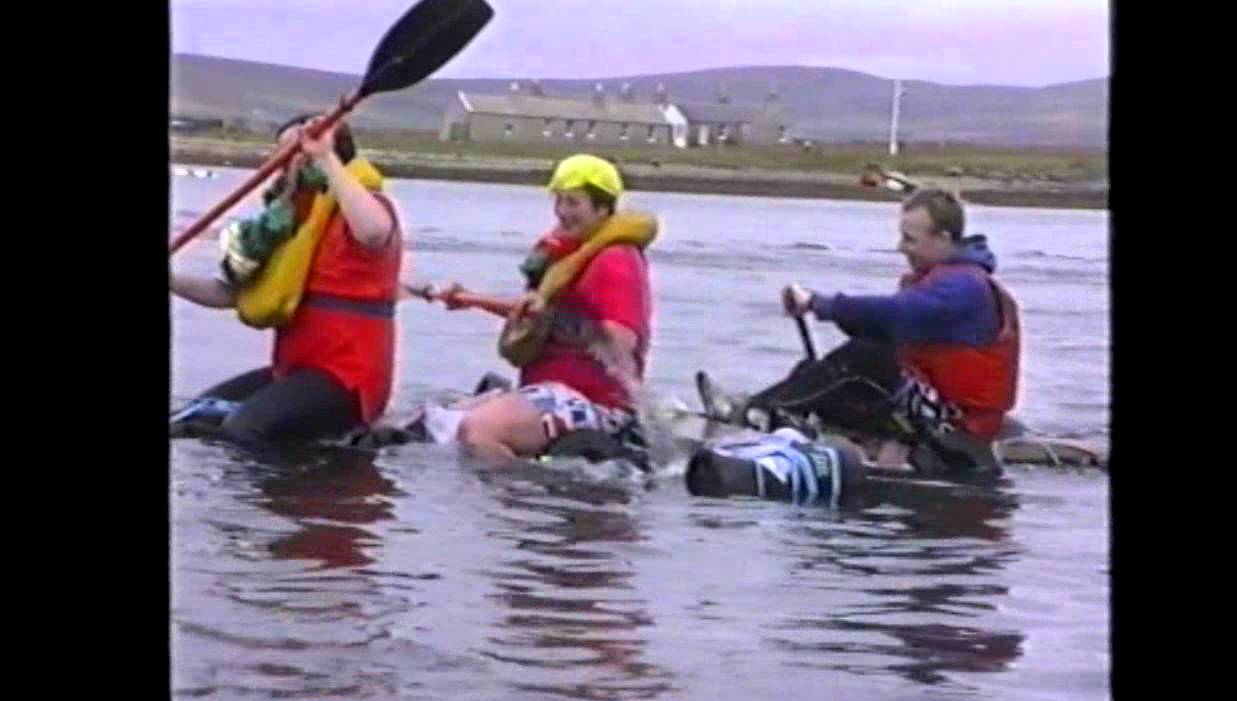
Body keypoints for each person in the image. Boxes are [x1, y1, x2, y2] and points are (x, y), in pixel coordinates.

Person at [697, 188, 1020, 472]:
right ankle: (786, 424)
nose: (901, 247)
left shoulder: (965, 285)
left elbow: (896, 313)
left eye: (910, 239)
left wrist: (819, 305)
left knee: (866, 359)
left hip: (956, 426)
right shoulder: (938, 280)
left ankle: (752, 414)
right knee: (817, 370)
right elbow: (883, 326)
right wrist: (837, 314)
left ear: (944, 239)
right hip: (929, 405)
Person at [169, 115, 403, 445]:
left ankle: (286, 491)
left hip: (348, 378)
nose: (281, 165)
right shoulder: (289, 223)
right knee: (193, 416)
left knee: (244, 429)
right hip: (296, 369)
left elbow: (375, 232)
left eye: (292, 153)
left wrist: (325, 157)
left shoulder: (368, 208)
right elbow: (227, 294)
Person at [431, 154, 658, 463]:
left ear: (603, 208)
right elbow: (544, 315)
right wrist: (470, 300)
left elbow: (622, 339)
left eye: (574, 203)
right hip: (548, 390)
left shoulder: (615, 261)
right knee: (436, 421)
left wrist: (559, 323)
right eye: (559, 201)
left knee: (479, 430)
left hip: (594, 403)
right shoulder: (569, 258)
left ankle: (515, 500)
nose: (562, 212)